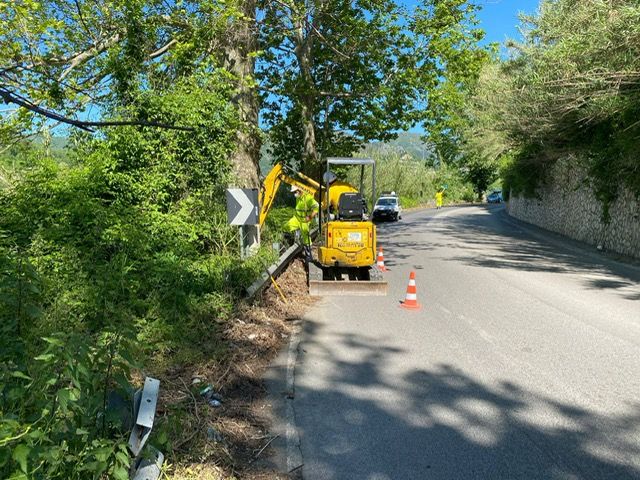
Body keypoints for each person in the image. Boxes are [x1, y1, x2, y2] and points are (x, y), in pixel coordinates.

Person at [284, 185, 319, 261]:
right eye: (293, 192)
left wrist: (310, 217)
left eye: (295, 192)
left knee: (306, 238)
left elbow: (316, 208)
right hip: (297, 218)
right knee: (286, 227)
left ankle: (309, 256)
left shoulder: (308, 198)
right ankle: (290, 243)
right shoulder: (298, 198)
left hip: (304, 221)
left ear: (300, 190)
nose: (294, 194)